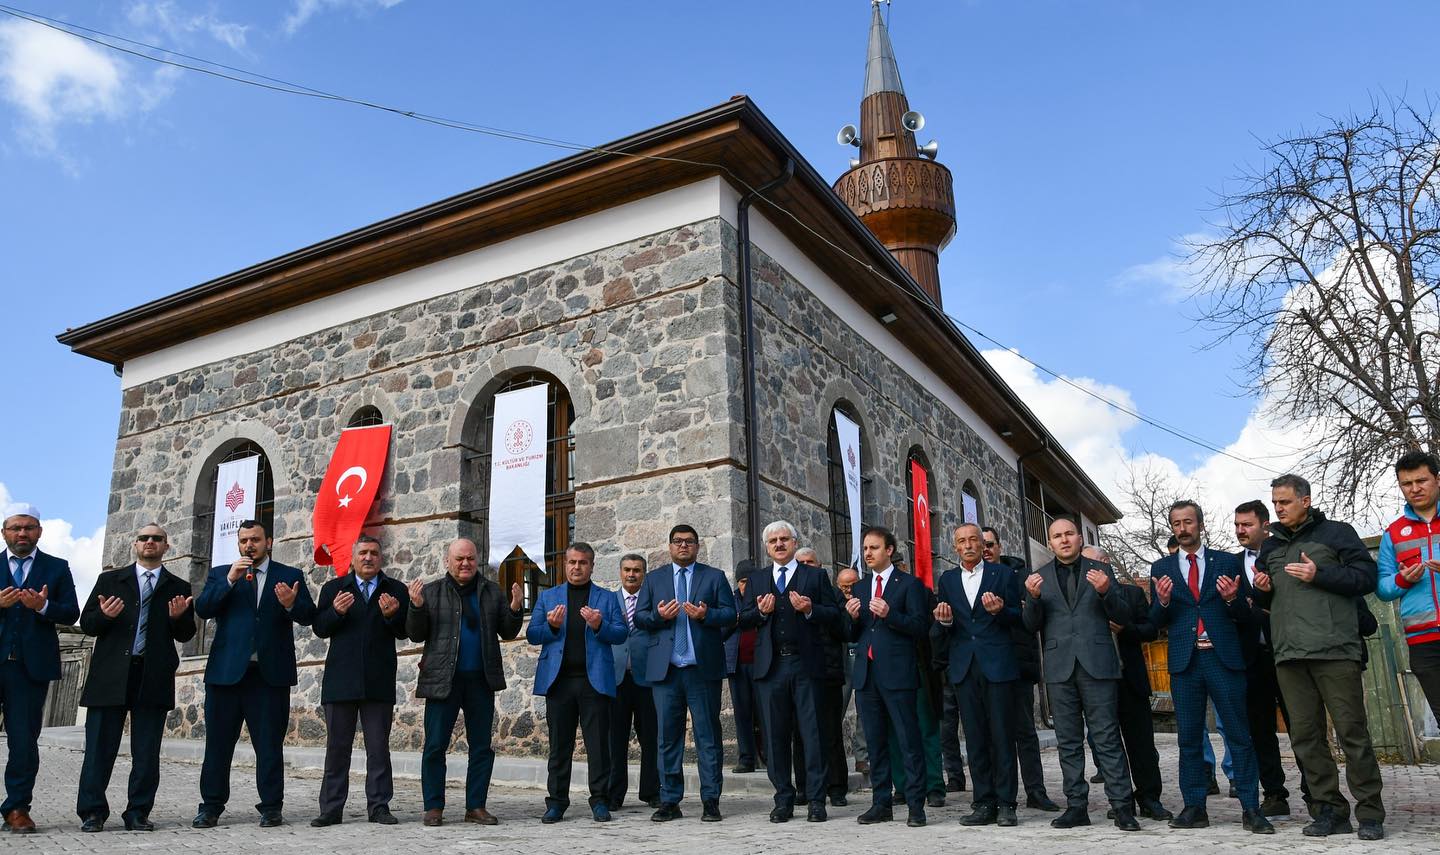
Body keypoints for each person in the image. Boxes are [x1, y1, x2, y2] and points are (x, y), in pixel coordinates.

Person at [1253, 473, 1385, 840]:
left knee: (1352, 733)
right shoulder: (1270, 545)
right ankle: (1329, 811)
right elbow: (1268, 600)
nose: (1277, 509)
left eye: (1284, 502)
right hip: (1289, 654)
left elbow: (1366, 578)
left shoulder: (1338, 533)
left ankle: (1371, 814)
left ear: (1306, 500)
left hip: (1335, 650)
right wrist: (1260, 590)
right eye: (1275, 503)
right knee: (1306, 738)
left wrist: (1320, 573)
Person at [1148, 502, 1272, 834]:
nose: (1182, 528)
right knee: (1188, 737)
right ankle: (1195, 808)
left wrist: (1232, 599)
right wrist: (1160, 602)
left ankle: (1251, 808)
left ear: (1200, 525)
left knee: (1237, 734)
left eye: (1188, 521)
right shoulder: (1161, 568)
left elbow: (1247, 617)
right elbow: (1152, 623)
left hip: (1223, 658)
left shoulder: (1227, 561)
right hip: (1185, 663)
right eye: (1176, 523)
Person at [193, 520, 315, 829]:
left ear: (268, 542)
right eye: (244, 540)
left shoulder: (289, 575)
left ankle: (272, 806)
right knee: (218, 746)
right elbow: (204, 609)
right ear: (238, 544)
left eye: (256, 539)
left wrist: (291, 604)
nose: (250, 545)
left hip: (268, 675)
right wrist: (229, 581)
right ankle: (210, 806)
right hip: (226, 676)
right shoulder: (222, 573)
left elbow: (309, 615)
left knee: (269, 745)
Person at [1021, 516, 1139, 831]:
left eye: (1069, 534)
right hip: (1060, 669)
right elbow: (1030, 626)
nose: (1064, 539)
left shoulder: (1101, 572)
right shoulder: (1039, 577)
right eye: (1057, 536)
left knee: (1107, 737)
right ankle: (1076, 806)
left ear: (1078, 538)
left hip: (1097, 664)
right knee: (1069, 741)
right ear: (1049, 543)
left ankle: (1123, 807)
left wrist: (1105, 592)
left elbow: (1123, 615)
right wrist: (1031, 600)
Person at [75, 524, 193, 833]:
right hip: (111, 674)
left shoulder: (178, 585)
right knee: (100, 747)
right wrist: (105, 616)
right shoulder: (110, 581)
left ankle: (138, 811)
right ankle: (92, 812)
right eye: (144, 538)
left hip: (152, 674)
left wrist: (178, 618)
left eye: (156, 538)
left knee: (146, 751)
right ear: (135, 544)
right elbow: (88, 624)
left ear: (166, 546)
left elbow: (187, 634)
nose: (150, 542)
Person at [407, 538, 523, 827]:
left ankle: (476, 806)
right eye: (459, 559)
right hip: (442, 681)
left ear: (476, 560)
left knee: (481, 747)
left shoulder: (491, 592)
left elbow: (508, 632)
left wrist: (516, 608)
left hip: (480, 682)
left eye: (470, 558)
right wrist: (417, 606)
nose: (465, 564)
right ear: (448, 561)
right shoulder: (432, 592)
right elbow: (416, 634)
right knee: (435, 745)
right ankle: (434, 807)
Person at [634, 524, 736, 823]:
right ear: (669, 546)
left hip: (702, 671)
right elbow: (640, 619)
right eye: (677, 542)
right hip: (666, 673)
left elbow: (731, 615)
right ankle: (669, 800)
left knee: (707, 736)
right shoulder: (654, 579)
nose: (683, 546)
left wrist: (706, 615)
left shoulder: (713, 577)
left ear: (697, 546)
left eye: (689, 542)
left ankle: (710, 799)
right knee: (667, 738)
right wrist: (658, 616)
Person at [738, 524, 840, 822]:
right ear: (766, 547)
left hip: (806, 664)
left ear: (795, 543)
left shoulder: (815, 575)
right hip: (771, 668)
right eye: (773, 541)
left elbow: (835, 616)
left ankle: (817, 800)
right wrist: (760, 613)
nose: (779, 544)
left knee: (812, 734)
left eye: (784, 539)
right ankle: (783, 798)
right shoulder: (757, 580)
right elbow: (742, 620)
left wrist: (810, 610)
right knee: (775, 736)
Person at [310, 535, 409, 827]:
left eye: (374, 553)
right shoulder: (334, 589)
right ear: (353, 558)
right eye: (363, 553)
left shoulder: (396, 590)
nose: (368, 558)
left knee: (378, 748)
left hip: (378, 681)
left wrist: (393, 616)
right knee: (337, 749)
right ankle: (331, 808)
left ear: (381, 558)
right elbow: (320, 628)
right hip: (341, 682)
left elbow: (405, 631)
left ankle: (379, 806)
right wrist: (337, 612)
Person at [527, 542, 627, 823]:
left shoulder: (606, 599)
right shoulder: (549, 597)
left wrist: (599, 625)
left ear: (592, 566)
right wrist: (552, 626)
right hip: (559, 682)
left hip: (593, 682)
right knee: (560, 746)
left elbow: (620, 634)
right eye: (572, 562)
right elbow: (533, 634)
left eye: (583, 563)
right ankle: (557, 802)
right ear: (565, 564)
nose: (576, 567)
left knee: (598, 746)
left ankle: (600, 800)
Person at [932, 524, 1021, 827]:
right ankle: (983, 802)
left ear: (984, 545)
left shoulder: (1004, 575)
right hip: (964, 667)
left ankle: (1007, 804)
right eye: (962, 541)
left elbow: (1019, 619)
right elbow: (948, 624)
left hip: (997, 665)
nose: (968, 545)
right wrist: (943, 624)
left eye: (974, 540)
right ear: (955, 547)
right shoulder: (947, 580)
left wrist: (1000, 612)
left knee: (1002, 737)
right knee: (975, 738)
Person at [844, 526, 931, 828]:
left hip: (898, 675)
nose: (868, 553)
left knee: (908, 741)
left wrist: (890, 614)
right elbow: (853, 635)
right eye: (865, 549)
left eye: (874, 548)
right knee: (876, 743)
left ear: (889, 550)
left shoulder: (909, 585)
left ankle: (916, 805)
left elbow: (921, 627)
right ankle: (881, 803)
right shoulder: (859, 587)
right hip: (866, 677)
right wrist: (852, 618)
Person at [0, 508, 79, 834]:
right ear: (4, 532)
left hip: (29, 670)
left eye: (28, 528)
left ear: (40, 531)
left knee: (23, 742)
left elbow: (72, 610)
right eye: (15, 528)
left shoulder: (56, 568)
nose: (22, 534)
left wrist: (42, 606)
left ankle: (17, 807)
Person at [1079, 546, 1172, 823]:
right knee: (1108, 746)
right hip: (1097, 682)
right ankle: (1120, 799)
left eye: (1090, 564)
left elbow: (1150, 630)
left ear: (1105, 564)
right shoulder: (1080, 600)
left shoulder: (1131, 594)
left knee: (1141, 744)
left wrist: (1125, 630)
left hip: (1129, 680)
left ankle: (1150, 798)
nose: (1084, 570)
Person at [982, 527, 1058, 811]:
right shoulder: (971, 578)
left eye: (990, 544)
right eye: (982, 544)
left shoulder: (1023, 577)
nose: (986, 549)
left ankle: (1036, 791)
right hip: (985, 668)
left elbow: (1032, 618)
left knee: (1024, 732)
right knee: (990, 734)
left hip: (1016, 663)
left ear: (1000, 547)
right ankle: (995, 794)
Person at [1233, 499, 1297, 818]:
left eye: (1247, 524)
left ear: (1264, 525)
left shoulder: (1283, 553)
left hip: (1287, 653)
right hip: (1250, 658)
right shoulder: (1231, 564)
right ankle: (1274, 793)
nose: (1240, 530)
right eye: (1237, 525)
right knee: (1260, 731)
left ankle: (1317, 792)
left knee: (1300, 725)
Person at [1376, 450, 1440, 724]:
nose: (1414, 489)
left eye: (1421, 481)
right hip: (1423, 641)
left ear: (1437, 479)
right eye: (1406, 483)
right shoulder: (1393, 533)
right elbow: (1382, 587)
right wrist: (1404, 580)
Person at [790, 546, 849, 809]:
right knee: (801, 733)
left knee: (829, 730)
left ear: (819, 564)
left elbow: (842, 626)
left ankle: (836, 787)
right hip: (801, 672)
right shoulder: (789, 592)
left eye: (810, 562)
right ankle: (804, 786)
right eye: (801, 562)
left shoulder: (833, 594)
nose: (806, 566)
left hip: (828, 671)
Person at [607, 553, 660, 811]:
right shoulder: (609, 601)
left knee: (651, 737)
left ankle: (652, 791)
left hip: (646, 679)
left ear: (644, 573)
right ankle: (614, 794)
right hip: (616, 679)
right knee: (615, 739)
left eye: (637, 570)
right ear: (620, 572)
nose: (631, 574)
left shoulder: (651, 603)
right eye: (627, 569)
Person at [723, 563, 764, 774]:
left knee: (765, 712)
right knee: (742, 713)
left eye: (749, 582)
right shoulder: (729, 600)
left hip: (762, 665)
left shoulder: (764, 599)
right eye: (742, 582)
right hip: (737, 664)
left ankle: (767, 756)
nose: (745, 587)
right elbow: (722, 629)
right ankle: (746, 758)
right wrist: (737, 620)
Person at [835, 566, 868, 778]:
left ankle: (862, 757)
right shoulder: (834, 600)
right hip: (842, 656)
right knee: (838, 705)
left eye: (852, 585)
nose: (848, 590)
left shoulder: (866, 597)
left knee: (864, 708)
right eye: (844, 586)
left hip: (863, 654)